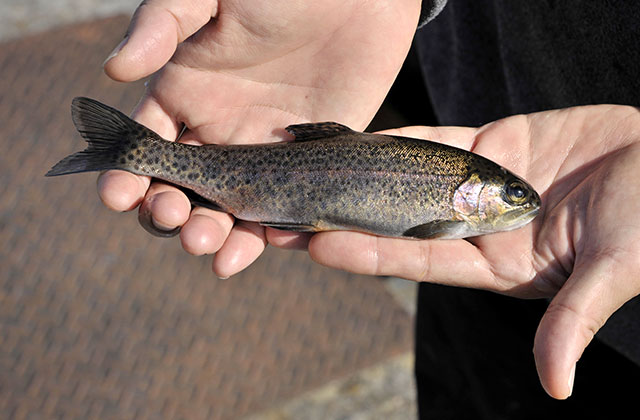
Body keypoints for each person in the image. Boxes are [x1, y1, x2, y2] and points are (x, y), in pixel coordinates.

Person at [100, 0, 640, 416]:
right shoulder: (462, 218)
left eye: (519, 198)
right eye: (515, 197)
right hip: (472, 290)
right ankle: (140, 153)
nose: (524, 204)